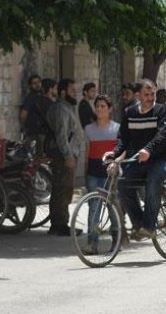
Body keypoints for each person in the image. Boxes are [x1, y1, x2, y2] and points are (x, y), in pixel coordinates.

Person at [104, 79, 166, 241]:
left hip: (162, 159)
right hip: (139, 161)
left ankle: (149, 226)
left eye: (152, 94)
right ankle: (139, 224)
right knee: (123, 185)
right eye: (146, 94)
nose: (150, 98)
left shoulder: (161, 110)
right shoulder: (130, 113)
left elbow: (162, 134)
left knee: (153, 180)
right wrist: (113, 155)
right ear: (138, 95)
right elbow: (123, 139)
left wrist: (148, 150)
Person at [45, 78, 86, 236]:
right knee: (62, 189)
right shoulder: (60, 109)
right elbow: (61, 135)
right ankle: (59, 224)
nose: (74, 93)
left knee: (65, 189)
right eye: (71, 90)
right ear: (63, 92)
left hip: (69, 154)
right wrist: (68, 156)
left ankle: (61, 223)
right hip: (63, 156)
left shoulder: (67, 107)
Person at [82, 95, 120, 252]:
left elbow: (120, 152)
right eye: (97, 106)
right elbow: (87, 152)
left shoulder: (117, 129)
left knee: (113, 209)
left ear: (110, 109)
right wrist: (85, 172)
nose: (99, 109)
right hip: (94, 173)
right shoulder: (89, 129)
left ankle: (117, 241)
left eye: (103, 106)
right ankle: (92, 243)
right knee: (94, 208)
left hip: (110, 174)